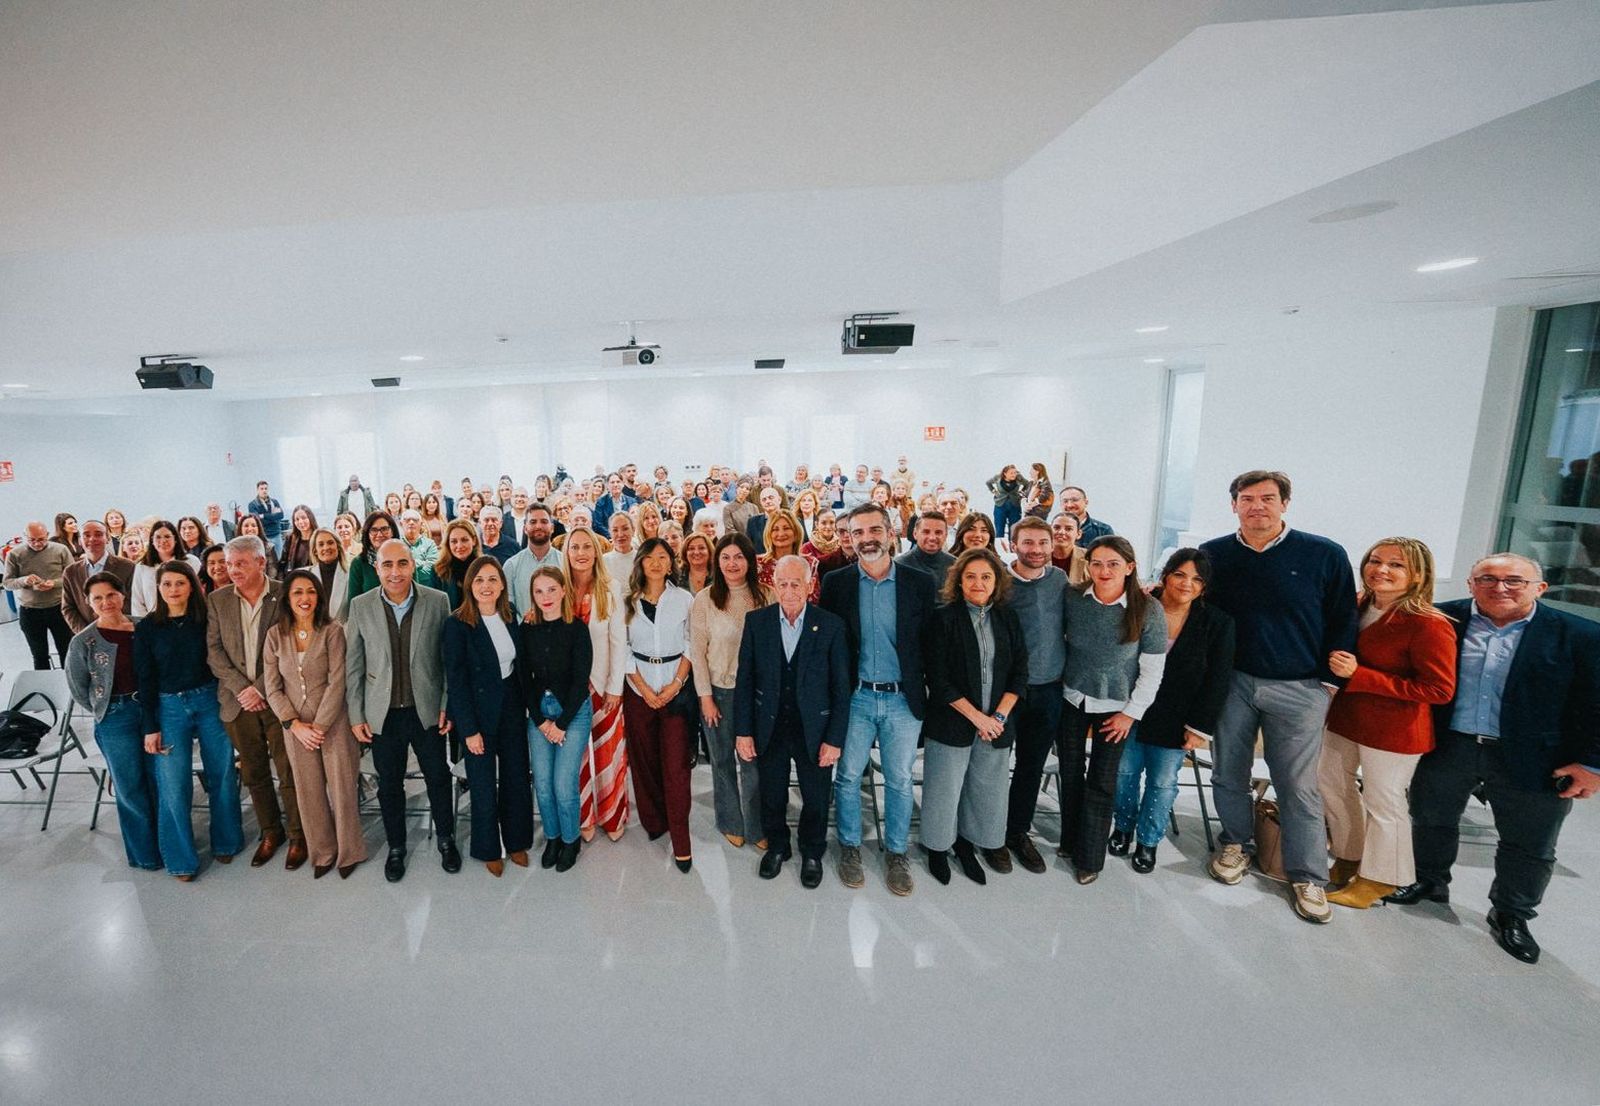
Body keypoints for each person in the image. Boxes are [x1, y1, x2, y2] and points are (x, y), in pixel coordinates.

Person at [1386, 554, 1600, 964]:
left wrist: (1592, 766)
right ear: (1470, 584)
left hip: (1535, 757)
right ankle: (1428, 882)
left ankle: (1512, 913)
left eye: (1513, 581)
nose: (1499, 587)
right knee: (1430, 819)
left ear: (1540, 588)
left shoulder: (1580, 635)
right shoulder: (1440, 620)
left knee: (1529, 843)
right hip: (1450, 744)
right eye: (1487, 578)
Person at [1199, 470, 1358, 924]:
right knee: (1229, 771)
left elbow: (1342, 617)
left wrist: (1329, 681)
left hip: (1301, 686)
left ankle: (1308, 875)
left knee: (1298, 785)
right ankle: (1235, 844)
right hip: (1233, 683)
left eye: (1267, 498)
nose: (1257, 507)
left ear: (1285, 503)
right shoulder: (1215, 554)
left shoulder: (1323, 554)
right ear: (1234, 505)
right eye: (1247, 499)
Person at [1317, 538, 1457, 908]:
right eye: (1376, 561)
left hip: (1394, 729)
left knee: (1384, 803)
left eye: (1397, 565)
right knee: (1330, 782)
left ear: (1418, 575)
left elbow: (1438, 689)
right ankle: (1348, 855)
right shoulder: (1359, 605)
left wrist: (1360, 675)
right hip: (1346, 718)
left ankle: (1379, 879)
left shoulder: (1429, 624)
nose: (1382, 569)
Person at [822, 504, 937, 896]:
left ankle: (896, 852)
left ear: (891, 533)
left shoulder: (919, 583)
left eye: (874, 530)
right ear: (849, 538)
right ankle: (850, 847)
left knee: (901, 780)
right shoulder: (835, 582)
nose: (867, 538)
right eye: (857, 532)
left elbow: (928, 645)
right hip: (855, 699)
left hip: (902, 700)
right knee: (849, 776)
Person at [1109, 548, 1234, 874]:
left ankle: (1148, 841)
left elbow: (1218, 680)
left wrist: (1199, 727)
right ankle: (1122, 828)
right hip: (1131, 710)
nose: (1186, 584)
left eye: (1196, 579)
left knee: (1163, 782)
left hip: (1178, 718)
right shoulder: (1139, 606)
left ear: (1204, 587)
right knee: (1124, 774)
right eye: (1180, 574)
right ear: (1165, 575)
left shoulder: (1217, 623)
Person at [344, 539, 460, 882]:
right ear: (376, 568)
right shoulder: (361, 605)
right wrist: (356, 714)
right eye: (387, 565)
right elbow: (354, 666)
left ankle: (445, 839)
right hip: (383, 714)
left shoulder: (437, 601)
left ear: (413, 566)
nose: (395, 572)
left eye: (402, 564)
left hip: (426, 711)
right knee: (389, 785)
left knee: (438, 778)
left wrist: (445, 704)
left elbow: (446, 661)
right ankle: (396, 847)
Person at [733, 555, 850, 887]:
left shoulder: (830, 625)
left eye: (795, 583)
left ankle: (812, 852)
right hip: (769, 726)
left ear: (809, 585)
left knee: (815, 794)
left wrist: (835, 739)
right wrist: (743, 731)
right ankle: (778, 847)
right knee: (772, 792)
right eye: (782, 583)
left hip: (814, 729)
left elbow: (842, 689)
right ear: (774, 585)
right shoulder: (757, 622)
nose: (789, 590)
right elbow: (745, 681)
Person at [1057, 536, 1168, 884]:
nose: (1104, 571)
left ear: (1130, 567)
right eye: (1097, 564)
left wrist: (1130, 714)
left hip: (1116, 708)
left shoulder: (1148, 609)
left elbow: (1152, 670)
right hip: (1072, 698)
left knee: (1102, 783)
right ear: (1087, 566)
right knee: (1071, 774)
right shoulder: (1073, 598)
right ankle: (1069, 841)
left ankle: (1089, 859)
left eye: (1113, 564)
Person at [918, 548, 1028, 885]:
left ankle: (967, 844)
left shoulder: (1008, 618)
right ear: (958, 580)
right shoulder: (943, 618)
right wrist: (978, 719)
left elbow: (1020, 673)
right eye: (970, 576)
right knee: (944, 789)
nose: (978, 583)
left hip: (997, 723)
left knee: (986, 788)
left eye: (986, 576)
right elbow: (938, 679)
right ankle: (938, 848)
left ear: (997, 581)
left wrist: (997, 716)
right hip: (952, 720)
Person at [132, 561, 245, 878]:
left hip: (208, 699)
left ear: (192, 586)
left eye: (179, 583)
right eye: (166, 584)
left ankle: (226, 842)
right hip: (169, 708)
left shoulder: (205, 620)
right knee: (173, 783)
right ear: (158, 588)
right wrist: (149, 726)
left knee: (221, 773)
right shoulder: (147, 628)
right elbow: (145, 679)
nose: (173, 590)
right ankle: (181, 859)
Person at [205, 535, 305, 870]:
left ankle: (297, 835)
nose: (232, 570)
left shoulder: (283, 594)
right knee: (254, 772)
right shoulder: (218, 600)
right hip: (237, 704)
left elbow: (290, 648)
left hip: (278, 699)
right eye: (229, 564)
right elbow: (214, 652)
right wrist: (241, 688)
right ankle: (270, 832)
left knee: (288, 771)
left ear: (261, 562)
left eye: (240, 563)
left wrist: (260, 689)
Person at [262, 569, 367, 879]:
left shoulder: (332, 631)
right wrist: (294, 724)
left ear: (319, 596)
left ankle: (349, 851)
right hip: (296, 728)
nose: (305, 598)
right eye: (297, 593)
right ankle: (322, 852)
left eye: (310, 592)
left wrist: (319, 726)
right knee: (308, 792)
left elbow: (339, 681)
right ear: (287, 598)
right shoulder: (274, 636)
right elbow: (272, 687)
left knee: (342, 789)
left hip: (332, 722)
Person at [66, 573, 167, 872]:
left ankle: (168, 845)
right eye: (97, 598)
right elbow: (78, 687)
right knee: (130, 786)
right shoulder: (83, 641)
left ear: (122, 595)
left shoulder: (144, 627)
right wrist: (106, 708)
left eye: (111, 595)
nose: (105, 602)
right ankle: (145, 855)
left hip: (151, 711)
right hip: (115, 718)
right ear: (88, 602)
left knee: (159, 780)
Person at [442, 556, 534, 877]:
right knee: (482, 784)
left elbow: (518, 667)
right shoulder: (457, 623)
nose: (486, 586)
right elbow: (456, 680)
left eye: (493, 579)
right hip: (477, 715)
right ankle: (488, 847)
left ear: (502, 585)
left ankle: (517, 841)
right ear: (470, 585)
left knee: (516, 777)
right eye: (479, 580)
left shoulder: (510, 616)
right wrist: (468, 729)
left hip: (511, 707)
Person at [691, 533, 769, 851]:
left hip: (758, 694)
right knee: (722, 759)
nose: (732, 563)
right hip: (720, 692)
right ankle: (730, 821)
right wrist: (705, 697)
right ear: (717, 561)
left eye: (738, 556)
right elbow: (697, 652)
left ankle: (757, 824)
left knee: (752, 761)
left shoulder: (768, 596)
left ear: (749, 560)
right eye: (725, 557)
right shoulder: (705, 600)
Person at [998, 518, 1069, 873]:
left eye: (1043, 542)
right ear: (1013, 544)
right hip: (1005, 693)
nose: (1036, 550)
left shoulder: (1060, 580)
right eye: (1027, 542)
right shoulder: (999, 583)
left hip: (1049, 689)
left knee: (1030, 766)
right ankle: (987, 831)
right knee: (992, 766)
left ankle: (1017, 832)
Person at [622, 538, 697, 871]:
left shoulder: (684, 599)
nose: (655, 563)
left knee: (676, 765)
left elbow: (692, 644)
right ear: (640, 563)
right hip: (638, 688)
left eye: (662, 557)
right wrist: (643, 689)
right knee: (644, 760)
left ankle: (681, 841)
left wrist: (675, 685)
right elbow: (622, 648)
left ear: (671, 563)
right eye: (649, 557)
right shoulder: (627, 601)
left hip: (675, 688)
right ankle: (654, 822)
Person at [518, 565, 594, 872]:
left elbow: (581, 680)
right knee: (544, 786)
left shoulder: (577, 629)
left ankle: (570, 840)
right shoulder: (526, 629)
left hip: (572, 715)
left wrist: (560, 725)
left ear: (564, 591)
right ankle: (552, 837)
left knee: (564, 785)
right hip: (539, 716)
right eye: (539, 591)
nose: (545, 596)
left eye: (551, 589)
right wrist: (541, 722)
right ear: (532, 596)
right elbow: (524, 679)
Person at [561, 526, 630, 844]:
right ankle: (583, 816)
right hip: (567, 689)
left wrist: (616, 686)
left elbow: (619, 640)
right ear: (567, 552)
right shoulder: (557, 587)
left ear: (596, 551)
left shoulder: (610, 587)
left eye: (587, 546)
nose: (581, 553)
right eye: (574, 547)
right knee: (575, 757)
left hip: (603, 684)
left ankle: (612, 814)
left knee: (607, 753)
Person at [5, 521, 76, 668]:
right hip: (30, 611)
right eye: (32, 540)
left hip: (59, 608)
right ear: (25, 537)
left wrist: (53, 583)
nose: (37, 544)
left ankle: (67, 685)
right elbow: (7, 583)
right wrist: (24, 580)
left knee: (66, 651)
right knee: (39, 654)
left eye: (41, 539)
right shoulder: (15, 554)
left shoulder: (60, 550)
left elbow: (72, 577)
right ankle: (44, 687)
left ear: (47, 535)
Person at [63, 519, 135, 635]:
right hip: (88, 635)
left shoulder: (128, 567)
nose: (92, 539)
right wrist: (86, 633)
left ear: (107, 538)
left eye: (98, 534)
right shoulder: (71, 572)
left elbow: (133, 602)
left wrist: (120, 627)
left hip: (123, 632)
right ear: (80, 540)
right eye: (86, 535)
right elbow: (68, 607)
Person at [130, 520, 202, 619]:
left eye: (167, 537)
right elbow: (137, 601)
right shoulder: (142, 566)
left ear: (176, 539)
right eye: (158, 537)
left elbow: (198, 594)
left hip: (187, 619)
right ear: (152, 540)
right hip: (152, 623)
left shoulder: (192, 562)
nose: (163, 541)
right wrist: (145, 625)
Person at [505, 503, 563, 615]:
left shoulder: (565, 562)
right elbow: (508, 607)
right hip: (524, 630)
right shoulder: (511, 566)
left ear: (552, 528)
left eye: (544, 521)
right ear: (525, 529)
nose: (538, 526)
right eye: (533, 522)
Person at [343, 510, 399, 605]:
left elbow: (414, 594)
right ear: (367, 534)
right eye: (374, 530)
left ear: (392, 531)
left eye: (384, 529)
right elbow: (353, 604)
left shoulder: (405, 558)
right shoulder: (358, 564)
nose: (380, 534)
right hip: (369, 618)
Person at [756, 508, 815, 593]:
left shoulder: (810, 563)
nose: (781, 534)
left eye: (786, 528)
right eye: (775, 529)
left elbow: (813, 600)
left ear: (796, 533)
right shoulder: (758, 564)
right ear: (769, 534)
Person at [431, 519, 481, 611]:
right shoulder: (437, 570)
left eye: (464, 540)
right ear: (448, 543)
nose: (459, 546)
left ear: (474, 540)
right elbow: (434, 607)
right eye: (454, 541)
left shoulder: (484, 567)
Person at [896, 513, 955, 587]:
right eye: (926, 532)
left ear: (946, 535)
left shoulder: (955, 565)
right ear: (915, 534)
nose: (932, 538)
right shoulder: (899, 565)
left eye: (938, 532)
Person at [308, 528, 350, 621]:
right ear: (315, 550)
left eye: (330, 543)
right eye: (321, 544)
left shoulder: (350, 575)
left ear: (338, 546)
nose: (326, 547)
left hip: (343, 633)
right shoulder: (307, 576)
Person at [986, 464, 1028, 543]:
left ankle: (1013, 548)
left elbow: (1027, 484)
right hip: (1000, 505)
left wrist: (1022, 492)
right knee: (999, 528)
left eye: (1015, 473)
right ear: (1005, 473)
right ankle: (1000, 548)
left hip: (1014, 505)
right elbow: (988, 483)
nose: (1014, 475)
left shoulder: (1019, 477)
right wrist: (994, 491)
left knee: (1014, 528)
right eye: (1011, 473)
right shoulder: (998, 477)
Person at [802, 509, 849, 578]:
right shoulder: (807, 548)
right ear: (816, 524)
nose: (828, 526)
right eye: (823, 523)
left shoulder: (843, 544)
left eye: (832, 522)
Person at [246, 480, 287, 556]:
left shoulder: (274, 502)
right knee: (265, 559)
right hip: (264, 537)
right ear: (257, 490)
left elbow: (281, 515)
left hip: (276, 535)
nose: (264, 491)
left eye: (266, 488)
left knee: (279, 558)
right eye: (262, 489)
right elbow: (257, 521)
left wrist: (263, 516)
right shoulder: (252, 505)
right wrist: (273, 517)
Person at [591, 472, 635, 538]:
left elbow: (635, 522)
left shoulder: (631, 501)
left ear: (623, 484)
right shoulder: (601, 502)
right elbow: (598, 524)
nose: (615, 484)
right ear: (607, 485)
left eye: (618, 482)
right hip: (609, 539)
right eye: (612, 482)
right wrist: (613, 536)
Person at [1050, 512, 1090, 584]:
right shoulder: (1037, 556)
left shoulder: (1089, 558)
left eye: (1068, 529)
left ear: (1078, 534)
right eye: (1056, 528)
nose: (1061, 532)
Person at [602, 510, 636, 580]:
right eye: (615, 530)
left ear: (633, 530)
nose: (620, 534)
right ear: (610, 532)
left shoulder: (641, 558)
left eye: (625, 529)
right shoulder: (603, 561)